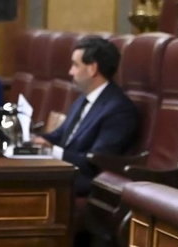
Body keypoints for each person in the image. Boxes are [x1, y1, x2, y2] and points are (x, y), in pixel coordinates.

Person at [32, 36, 139, 194]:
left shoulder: (119, 110)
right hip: (64, 170)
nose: (70, 72)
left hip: (85, 180)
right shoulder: (84, 98)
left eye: (75, 65)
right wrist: (30, 139)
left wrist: (52, 150)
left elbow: (95, 162)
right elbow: (60, 136)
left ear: (93, 68)